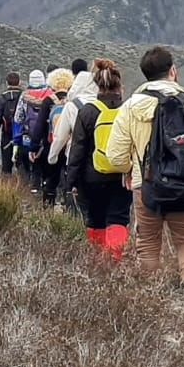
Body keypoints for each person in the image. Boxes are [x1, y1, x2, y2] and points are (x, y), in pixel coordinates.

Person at [105, 46, 184, 296]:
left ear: (145, 74)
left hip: (145, 185)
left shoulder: (130, 107)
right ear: (173, 71)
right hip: (183, 184)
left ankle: (151, 294)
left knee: (148, 242)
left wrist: (131, 170)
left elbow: (115, 156)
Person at [61, 58, 131, 260]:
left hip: (91, 177)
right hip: (122, 176)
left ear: (98, 85)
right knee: (118, 219)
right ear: (120, 85)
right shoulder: (128, 111)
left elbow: (77, 150)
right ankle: (115, 261)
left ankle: (98, 263)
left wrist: (71, 182)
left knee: (95, 219)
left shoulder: (87, 111)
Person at [49, 59, 96, 208]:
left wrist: (52, 157)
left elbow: (60, 136)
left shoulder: (72, 106)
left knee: (79, 203)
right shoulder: (103, 103)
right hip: (101, 159)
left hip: (76, 158)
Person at [35, 68, 75, 206]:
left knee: (51, 178)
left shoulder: (48, 101)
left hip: (51, 145)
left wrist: (34, 146)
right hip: (70, 146)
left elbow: (40, 125)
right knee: (69, 177)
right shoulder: (73, 101)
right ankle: (68, 205)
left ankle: (48, 206)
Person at [13, 70, 53, 190]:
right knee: (46, 162)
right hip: (47, 135)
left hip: (28, 135)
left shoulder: (25, 96)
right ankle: (46, 186)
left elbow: (18, 118)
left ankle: (32, 187)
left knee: (30, 162)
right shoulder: (51, 95)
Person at [0, 72, 24, 175]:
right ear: (19, 82)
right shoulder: (24, 96)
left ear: (6, 83)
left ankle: (7, 183)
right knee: (21, 165)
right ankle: (23, 182)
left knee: (6, 166)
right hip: (21, 134)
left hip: (7, 134)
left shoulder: (2, 97)